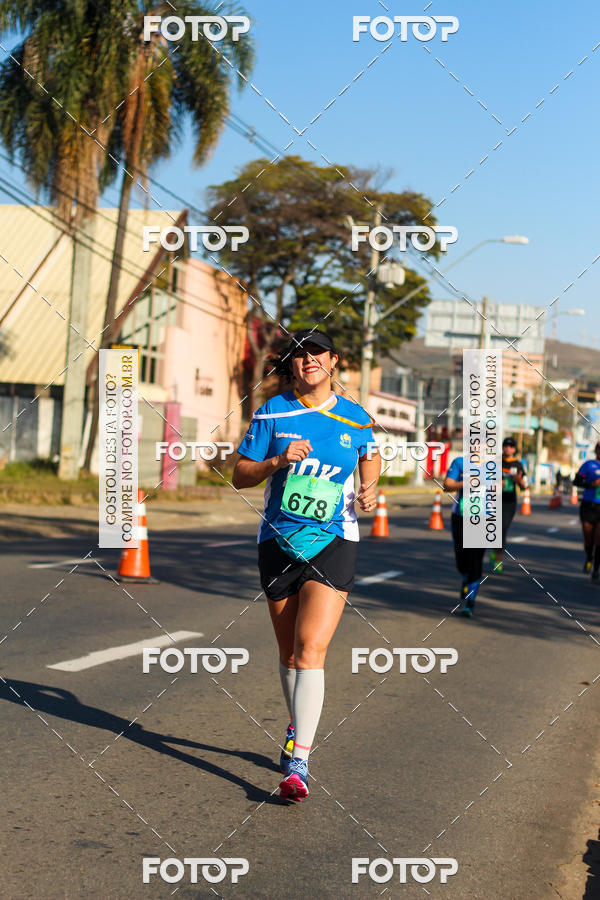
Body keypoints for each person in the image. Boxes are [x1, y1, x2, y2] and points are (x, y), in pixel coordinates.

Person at [232, 329, 381, 801]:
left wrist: (370, 488)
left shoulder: (356, 417)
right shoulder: (274, 411)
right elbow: (239, 476)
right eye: (298, 356)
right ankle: (297, 719)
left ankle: (300, 763)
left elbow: (371, 455)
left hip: (335, 539)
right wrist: (277, 460)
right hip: (278, 540)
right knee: (289, 654)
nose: (307, 361)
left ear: (333, 360)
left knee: (311, 645)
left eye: (316, 353)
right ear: (291, 365)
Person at [443, 456, 485, 617]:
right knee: (461, 559)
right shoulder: (459, 462)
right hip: (460, 514)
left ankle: (470, 602)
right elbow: (447, 485)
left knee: (475, 559)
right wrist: (467, 484)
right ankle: (465, 578)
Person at [489, 437, 526, 574]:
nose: (508, 448)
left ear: (515, 449)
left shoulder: (518, 464)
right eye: (505, 445)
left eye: (511, 446)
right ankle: (495, 553)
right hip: (494, 499)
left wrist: (520, 480)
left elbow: (524, 485)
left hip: (509, 502)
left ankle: (498, 559)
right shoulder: (496, 461)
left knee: (502, 528)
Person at [574, 441, 600, 581]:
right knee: (588, 538)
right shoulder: (589, 465)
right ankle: (589, 556)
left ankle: (596, 570)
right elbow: (576, 482)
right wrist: (591, 484)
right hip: (588, 505)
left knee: (599, 539)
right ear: (596, 450)